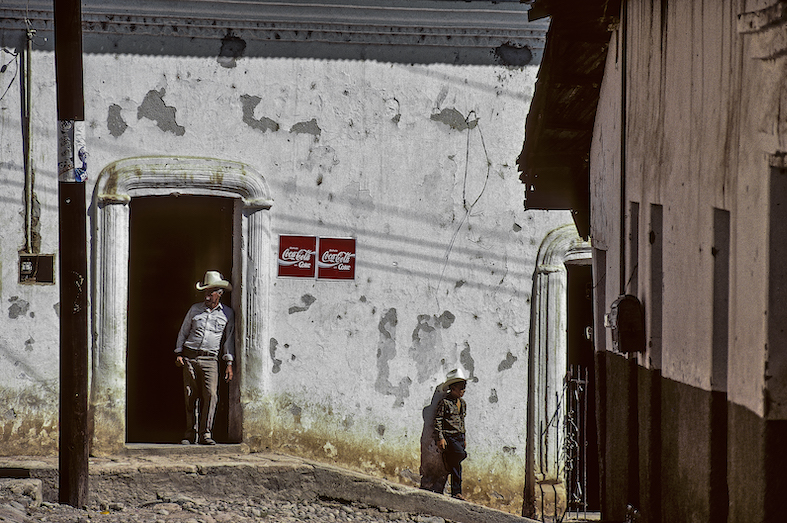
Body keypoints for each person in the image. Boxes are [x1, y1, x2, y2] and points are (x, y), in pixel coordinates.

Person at [175, 271, 235, 445]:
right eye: (206, 293)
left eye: (211, 293)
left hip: (211, 359)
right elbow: (184, 331)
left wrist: (229, 363)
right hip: (190, 356)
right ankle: (190, 433)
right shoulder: (195, 309)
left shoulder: (227, 314)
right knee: (190, 395)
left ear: (220, 293)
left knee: (211, 395)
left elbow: (228, 339)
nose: (207, 296)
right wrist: (179, 353)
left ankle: (205, 433)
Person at [434, 368, 468, 500]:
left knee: (456, 466)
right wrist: (440, 438)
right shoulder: (445, 402)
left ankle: (456, 492)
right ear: (452, 388)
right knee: (461, 455)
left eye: (464, 388)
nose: (463, 391)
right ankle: (455, 490)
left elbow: (462, 421)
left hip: (458, 437)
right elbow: (438, 420)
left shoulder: (462, 404)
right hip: (449, 436)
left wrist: (464, 437)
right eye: (460, 388)